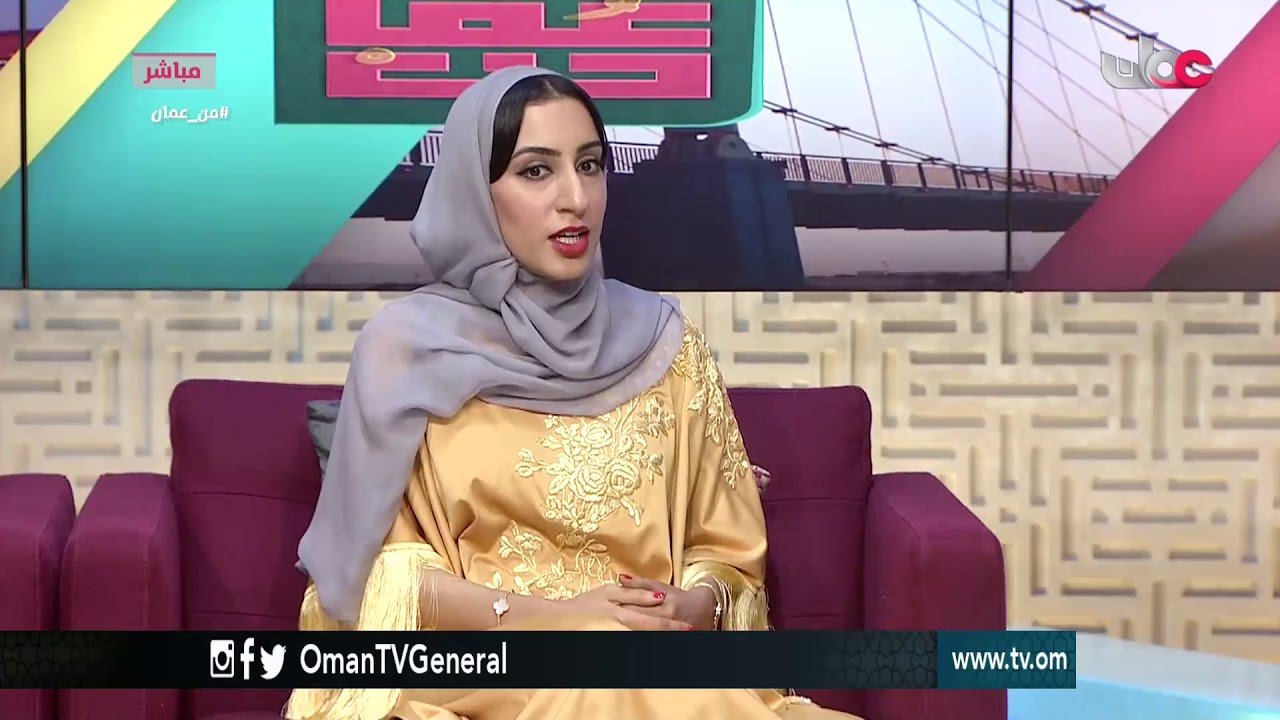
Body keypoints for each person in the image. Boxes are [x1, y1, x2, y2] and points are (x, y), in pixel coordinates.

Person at [285, 66, 862, 720]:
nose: (576, 198)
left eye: (590, 166)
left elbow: (723, 549)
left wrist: (694, 604)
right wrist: (560, 619)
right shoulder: (404, 350)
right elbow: (380, 575)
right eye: (536, 171)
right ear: (475, 190)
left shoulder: (668, 345)